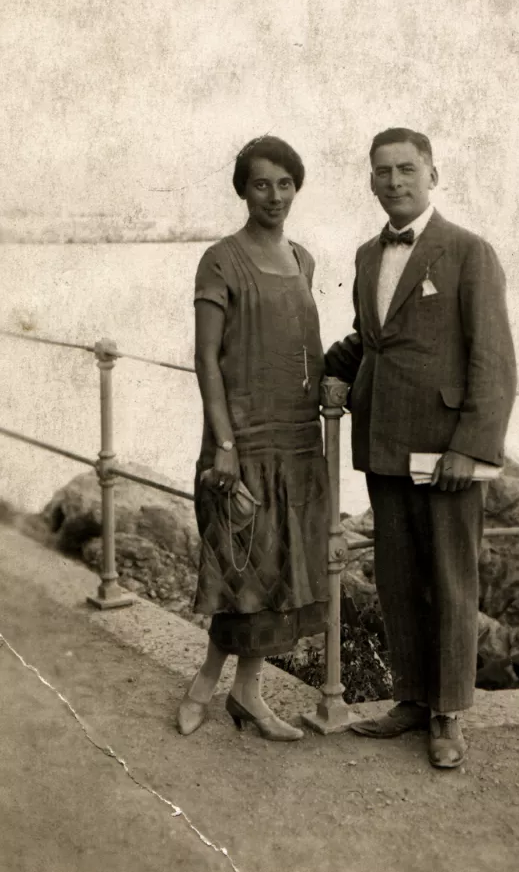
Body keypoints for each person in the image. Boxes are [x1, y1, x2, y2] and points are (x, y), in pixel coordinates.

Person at [325, 127, 517, 768]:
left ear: (433, 174)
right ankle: (410, 699)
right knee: (399, 579)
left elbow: (494, 359)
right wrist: (334, 370)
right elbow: (370, 337)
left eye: (407, 169)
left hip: (445, 450)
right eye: (382, 172)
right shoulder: (363, 255)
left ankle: (448, 714)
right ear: (371, 181)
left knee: (451, 582)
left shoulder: (469, 252)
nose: (394, 182)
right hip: (383, 440)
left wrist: (471, 446)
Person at [177, 136, 329, 742]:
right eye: (262, 184)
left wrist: (333, 387)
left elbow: (301, 347)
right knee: (236, 570)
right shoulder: (220, 259)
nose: (275, 196)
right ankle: (204, 687)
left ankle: (248, 693)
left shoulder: (304, 259)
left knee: (278, 574)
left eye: (285, 183)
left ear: (297, 187)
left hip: (297, 438)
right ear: (243, 189)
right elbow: (206, 358)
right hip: (239, 441)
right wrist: (224, 443)